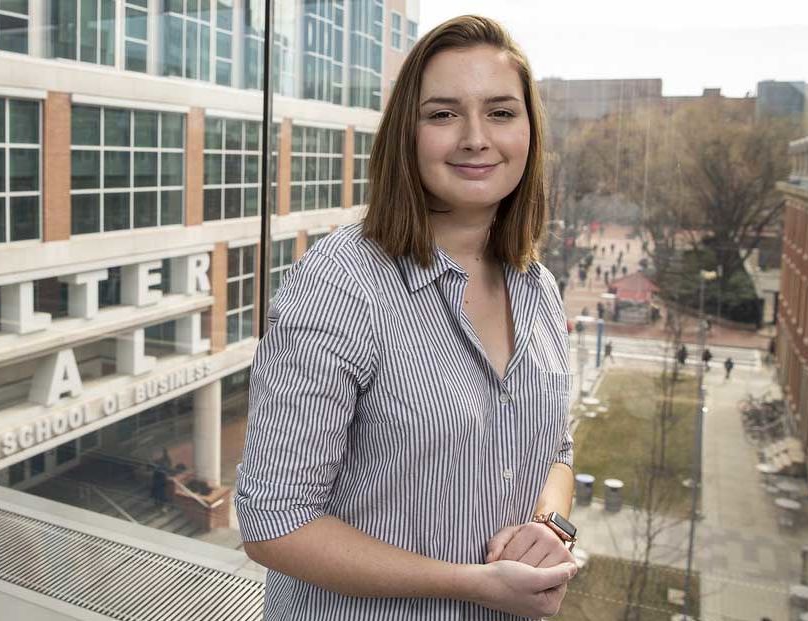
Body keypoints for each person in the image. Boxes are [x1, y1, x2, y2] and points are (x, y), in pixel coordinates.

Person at [235, 16, 577, 620]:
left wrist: (550, 527)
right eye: (443, 114)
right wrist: (472, 584)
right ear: (406, 135)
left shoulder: (538, 287)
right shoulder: (342, 282)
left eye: (501, 112)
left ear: (530, 130)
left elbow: (557, 450)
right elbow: (274, 524)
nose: (476, 137)